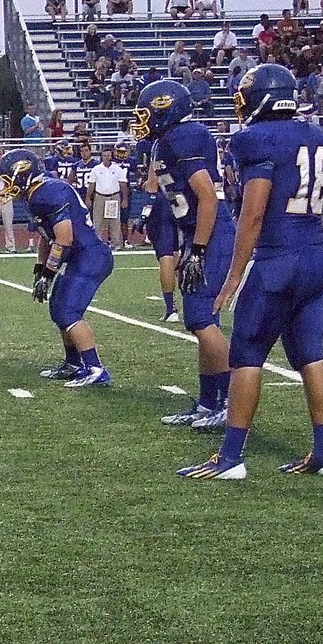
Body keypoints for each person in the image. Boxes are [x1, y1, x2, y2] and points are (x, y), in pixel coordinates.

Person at [179, 64, 323, 479]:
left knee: (246, 355)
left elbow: (253, 214)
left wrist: (234, 275)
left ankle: (231, 458)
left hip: (278, 259)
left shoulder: (257, 139)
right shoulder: (318, 134)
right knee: (310, 354)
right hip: (316, 255)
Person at [133, 79, 235, 431]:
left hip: (212, 234)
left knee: (201, 320)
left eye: (147, 112)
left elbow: (207, 198)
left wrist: (199, 248)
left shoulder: (183, 136)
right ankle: (209, 404)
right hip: (198, 233)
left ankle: (229, 404)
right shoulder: (165, 140)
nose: (141, 120)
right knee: (201, 321)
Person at [0, 148, 114, 387]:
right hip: (80, 257)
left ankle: (95, 368)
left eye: (8, 178)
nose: (5, 185)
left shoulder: (47, 192)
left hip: (90, 256)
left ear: (22, 174)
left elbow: (64, 238)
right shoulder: (36, 193)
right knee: (58, 308)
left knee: (68, 312)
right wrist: (41, 267)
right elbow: (46, 236)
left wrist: (49, 273)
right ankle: (73, 364)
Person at [135, 137, 181, 321]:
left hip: (162, 204)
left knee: (166, 257)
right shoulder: (183, 144)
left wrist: (144, 215)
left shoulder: (157, 146)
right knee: (178, 254)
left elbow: (153, 186)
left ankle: (171, 310)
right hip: (180, 201)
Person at [85, 146, 126, 249]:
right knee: (98, 222)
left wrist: (125, 199)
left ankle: (115, 244)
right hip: (99, 197)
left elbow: (123, 185)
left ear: (111, 156)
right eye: (104, 156)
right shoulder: (96, 169)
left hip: (113, 197)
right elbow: (91, 185)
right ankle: (97, 244)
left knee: (114, 222)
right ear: (101, 157)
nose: (106, 158)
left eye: (108, 155)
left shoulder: (117, 169)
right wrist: (88, 198)